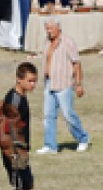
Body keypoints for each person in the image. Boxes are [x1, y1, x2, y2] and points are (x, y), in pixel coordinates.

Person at [0, 62, 38, 190]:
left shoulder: (20, 96)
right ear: (19, 79)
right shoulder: (14, 101)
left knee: (27, 184)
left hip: (21, 149)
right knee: (21, 188)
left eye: (35, 81)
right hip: (14, 152)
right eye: (30, 81)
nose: (33, 84)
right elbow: (7, 129)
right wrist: (15, 151)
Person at [36, 17, 90, 154]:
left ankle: (83, 139)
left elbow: (77, 63)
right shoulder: (46, 42)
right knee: (48, 116)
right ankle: (50, 146)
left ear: (58, 28)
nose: (48, 31)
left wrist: (78, 84)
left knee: (68, 115)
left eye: (50, 28)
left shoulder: (67, 42)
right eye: (47, 28)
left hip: (64, 84)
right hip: (49, 83)